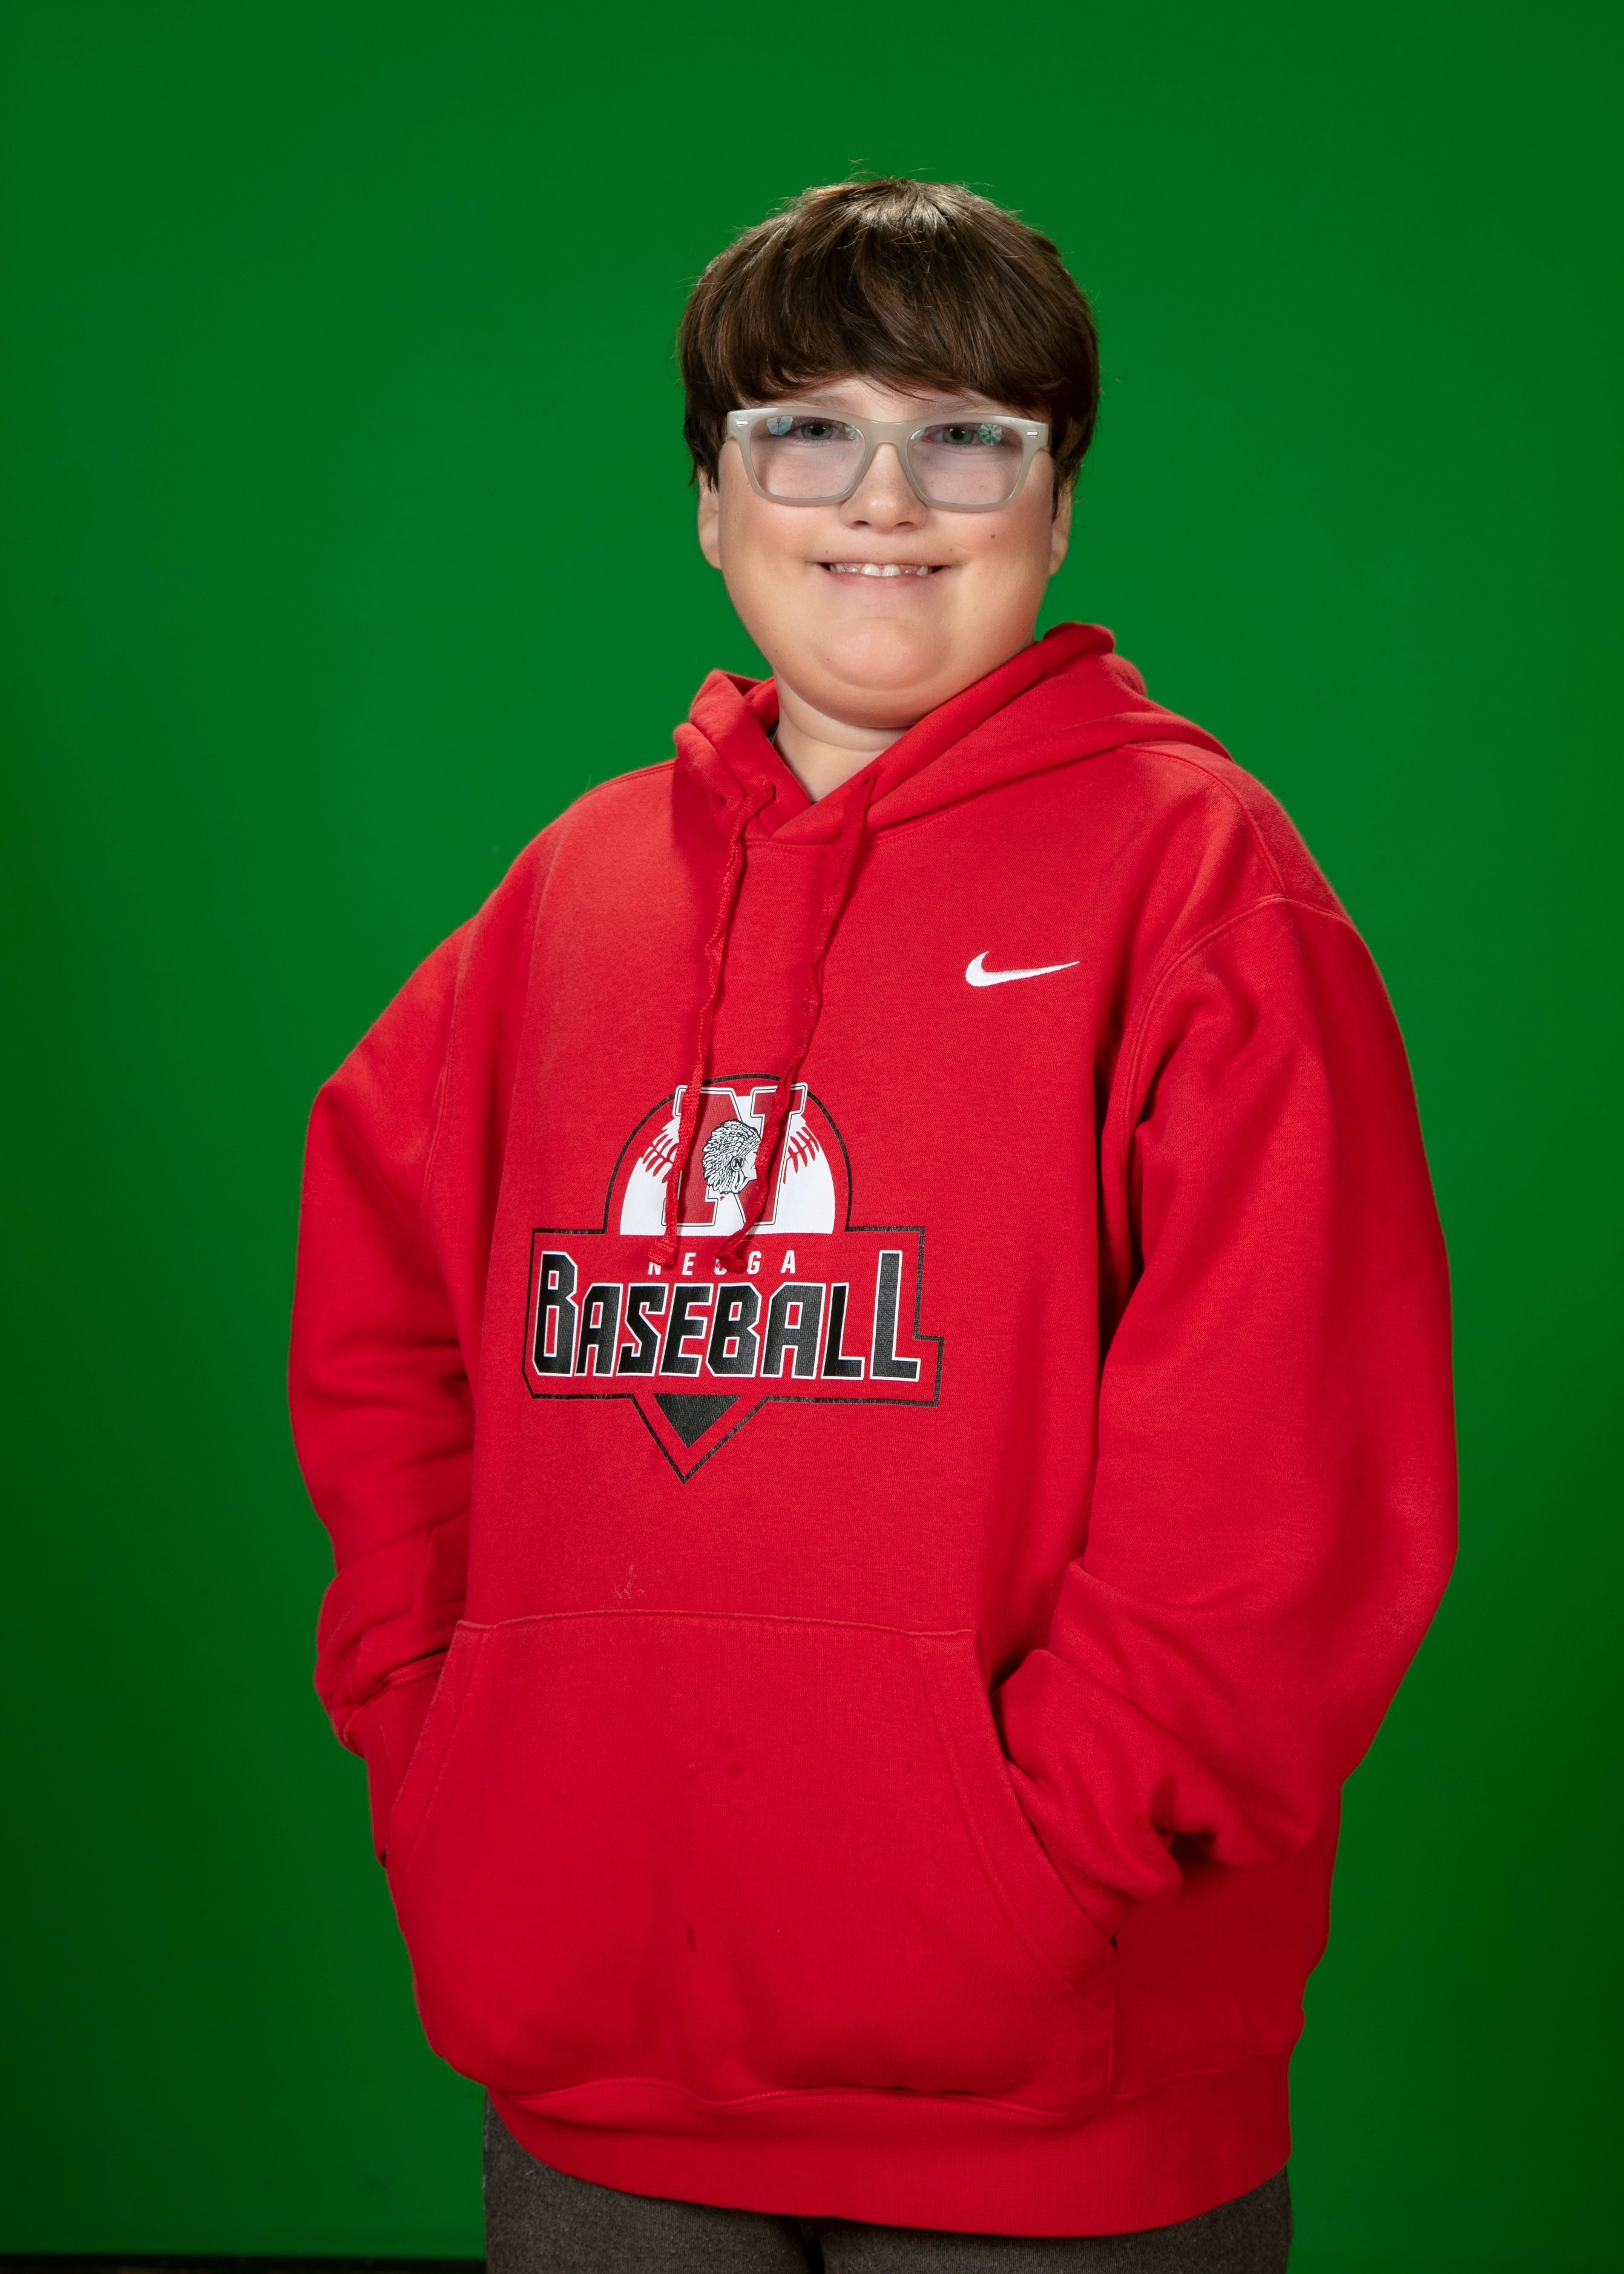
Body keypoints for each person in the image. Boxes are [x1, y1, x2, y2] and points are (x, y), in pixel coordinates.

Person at [289, 179, 1456, 2272]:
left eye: (966, 436)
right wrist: (444, 1730)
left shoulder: (1201, 887)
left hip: (1058, 2093)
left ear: (1059, 503)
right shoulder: (570, 897)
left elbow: (1287, 1482)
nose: (884, 497)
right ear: (712, 504)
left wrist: (1039, 1864)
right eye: (805, 431)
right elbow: (381, 1321)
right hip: (599, 2073)